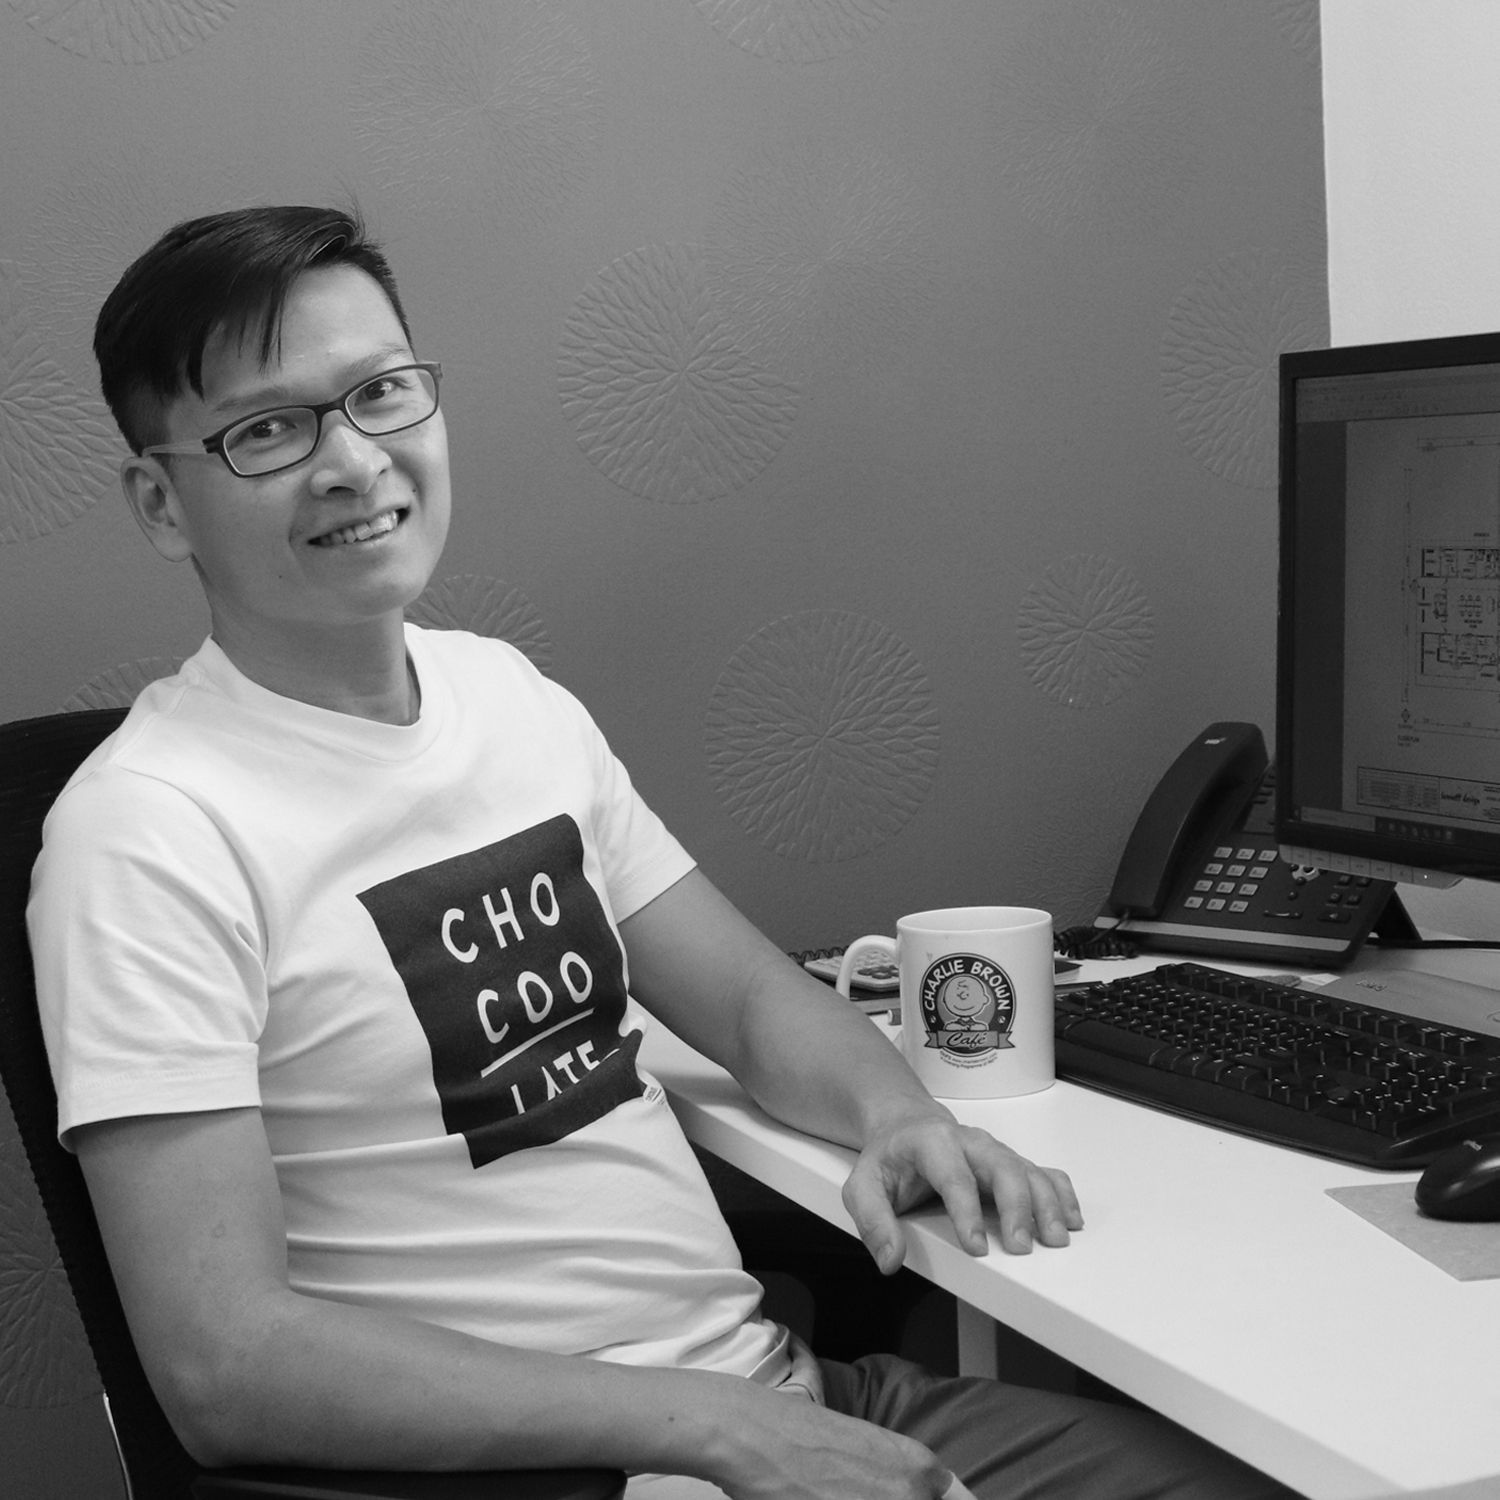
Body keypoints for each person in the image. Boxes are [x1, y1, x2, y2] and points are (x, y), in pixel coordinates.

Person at [28, 204, 1293, 1500]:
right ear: (160, 502)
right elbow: (224, 1365)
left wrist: (896, 1116)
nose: (353, 461)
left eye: (381, 393)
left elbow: (745, 999)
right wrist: (706, 1430)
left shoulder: (509, 701)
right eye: (268, 430)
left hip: (771, 1400)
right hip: (563, 1474)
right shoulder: (147, 836)